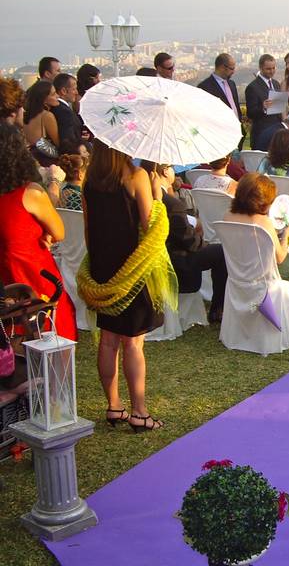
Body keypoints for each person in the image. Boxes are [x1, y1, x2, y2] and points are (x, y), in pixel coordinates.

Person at [79, 139, 176, 432]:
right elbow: (150, 224)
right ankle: (140, 411)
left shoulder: (90, 181)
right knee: (133, 342)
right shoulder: (136, 176)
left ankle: (114, 406)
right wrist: (158, 194)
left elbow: (87, 229)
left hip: (102, 268)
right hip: (132, 268)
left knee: (108, 340)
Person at [0, 126, 78, 341]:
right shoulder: (30, 192)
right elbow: (59, 231)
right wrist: (53, 183)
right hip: (34, 277)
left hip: (6, 279)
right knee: (48, 335)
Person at [223, 173, 289, 327]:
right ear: (261, 202)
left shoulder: (227, 217)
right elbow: (280, 257)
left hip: (238, 274)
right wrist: (286, 235)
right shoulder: (264, 222)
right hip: (264, 278)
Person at [140, 161, 227, 324]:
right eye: (172, 168)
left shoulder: (141, 196)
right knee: (221, 253)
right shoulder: (170, 203)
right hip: (175, 260)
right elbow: (189, 242)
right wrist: (204, 243)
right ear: (165, 171)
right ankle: (218, 308)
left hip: (155, 257)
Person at [245, 54, 282, 150]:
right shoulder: (252, 87)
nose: (272, 71)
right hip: (261, 134)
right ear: (261, 68)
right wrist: (263, 108)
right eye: (268, 69)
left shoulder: (276, 84)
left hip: (277, 133)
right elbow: (250, 113)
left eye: (273, 68)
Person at [22, 80, 61, 166]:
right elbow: (59, 143)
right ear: (44, 99)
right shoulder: (47, 116)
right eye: (54, 94)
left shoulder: (24, 115)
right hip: (47, 162)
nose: (58, 96)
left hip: (30, 161)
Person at [197, 53, 242, 123]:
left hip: (236, 129)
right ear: (222, 67)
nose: (233, 72)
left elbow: (235, 106)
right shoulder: (204, 87)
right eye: (231, 69)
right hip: (219, 129)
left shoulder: (232, 84)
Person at [52, 73, 85, 155]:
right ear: (63, 91)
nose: (77, 92)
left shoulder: (58, 108)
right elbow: (68, 140)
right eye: (74, 89)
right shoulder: (64, 112)